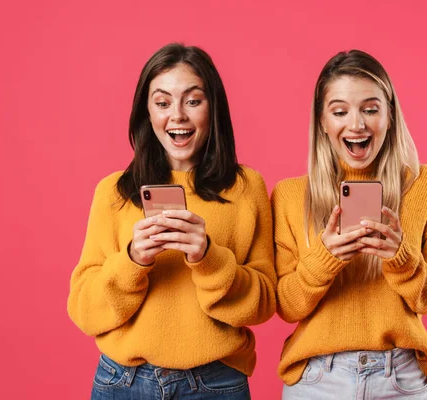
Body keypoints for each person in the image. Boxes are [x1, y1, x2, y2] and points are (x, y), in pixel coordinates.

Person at [68, 43, 276, 399]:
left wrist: (209, 259)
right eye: (163, 103)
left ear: (213, 109)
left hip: (215, 383)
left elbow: (263, 304)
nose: (177, 115)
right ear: (147, 113)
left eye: (193, 101)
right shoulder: (113, 192)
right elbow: (85, 311)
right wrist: (133, 260)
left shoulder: (246, 188)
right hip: (123, 382)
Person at [272, 50, 427, 399]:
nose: (356, 124)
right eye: (340, 111)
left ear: (390, 117)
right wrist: (324, 259)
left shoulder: (426, 185)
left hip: (399, 378)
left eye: (370, 109)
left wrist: (401, 258)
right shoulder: (289, 196)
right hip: (316, 381)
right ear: (322, 122)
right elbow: (285, 304)